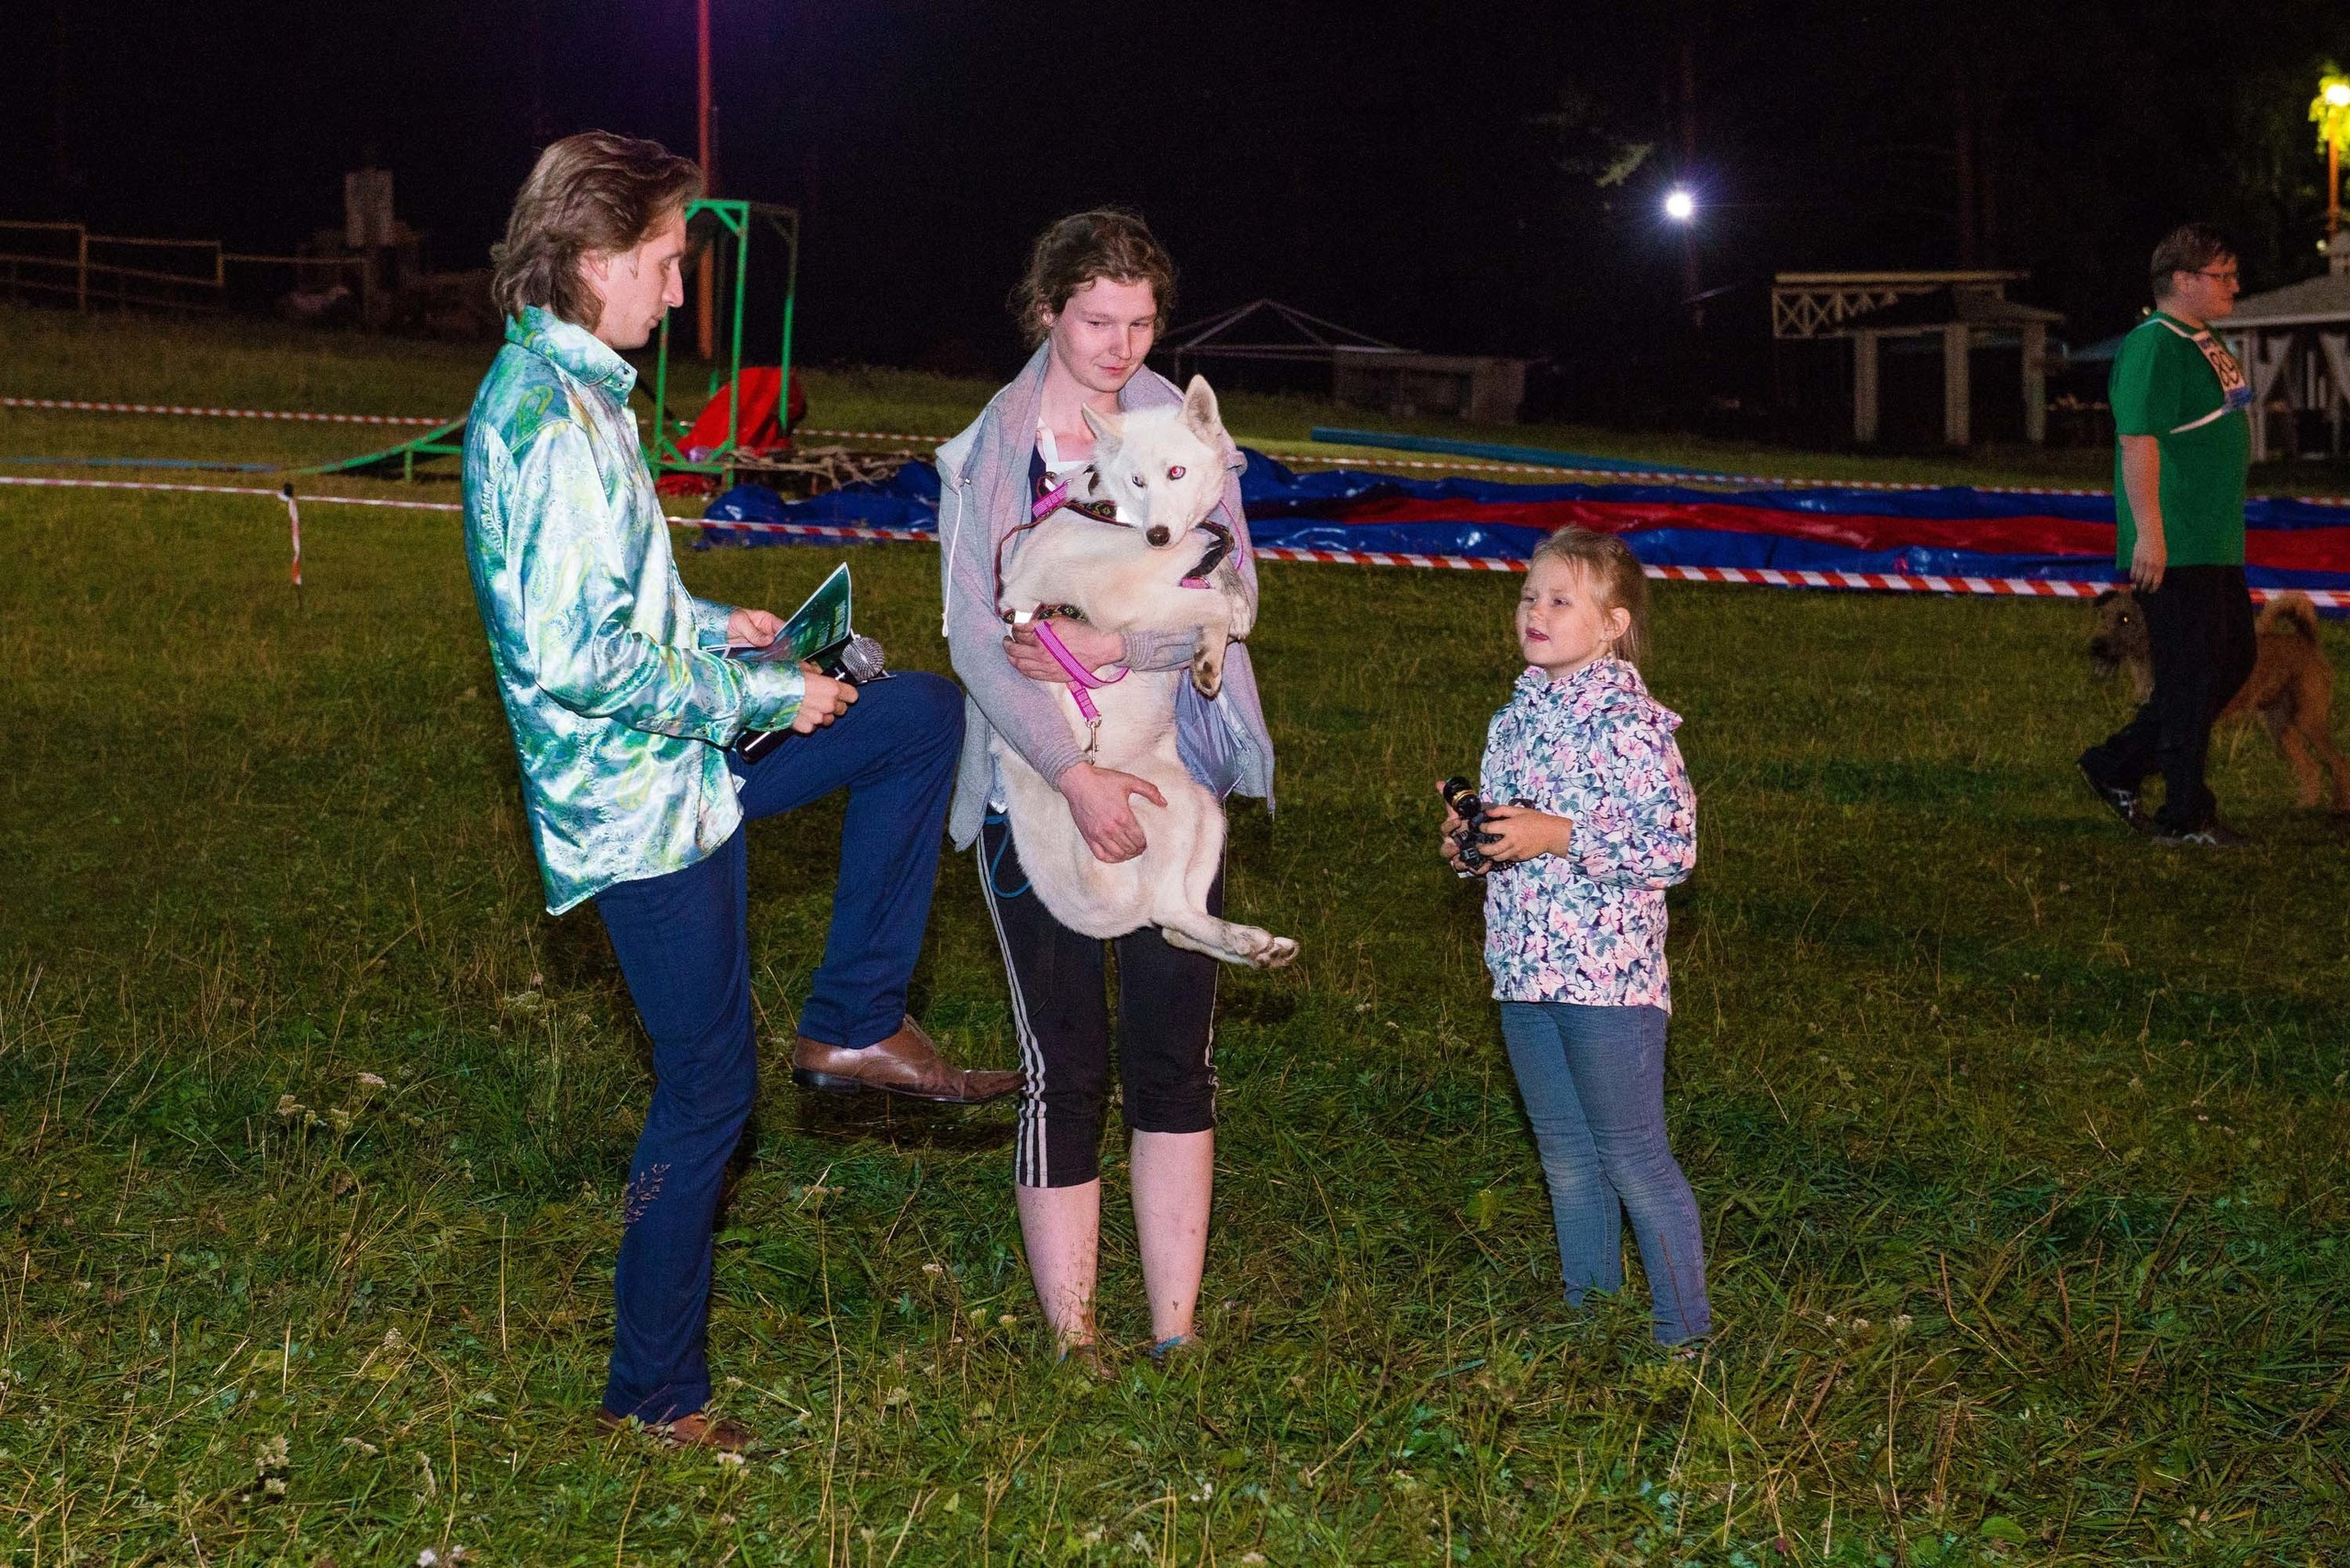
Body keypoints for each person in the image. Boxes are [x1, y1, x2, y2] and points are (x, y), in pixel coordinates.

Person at [462, 132, 1015, 1451]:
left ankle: (855, 1021)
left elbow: (617, 612)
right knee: (707, 1089)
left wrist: (720, 628)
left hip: (683, 756)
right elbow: (575, 661)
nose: (676, 288)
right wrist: (769, 700)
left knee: (913, 717)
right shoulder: (541, 419)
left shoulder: (587, 388)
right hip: (637, 804)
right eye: (661, 263)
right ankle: (655, 1398)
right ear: (593, 261)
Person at [936, 209, 1275, 1369]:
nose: (1121, 344)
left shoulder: (1182, 431)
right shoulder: (995, 447)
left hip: (1168, 758)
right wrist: (1074, 774)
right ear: (1046, 313)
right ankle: (1073, 1337)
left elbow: (1232, 591)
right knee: (1063, 1060)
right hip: (1031, 784)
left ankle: (1175, 1329)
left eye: (1140, 323)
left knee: (1174, 1055)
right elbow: (976, 639)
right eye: (1096, 320)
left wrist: (1125, 651)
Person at [1441, 529, 1709, 1348]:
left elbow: (1672, 847)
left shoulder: (1632, 726)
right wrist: (1471, 843)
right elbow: (1511, 840)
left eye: (1561, 600)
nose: (1536, 610)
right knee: (1565, 1159)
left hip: (1608, 985)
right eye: (1529, 595)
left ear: (1614, 623)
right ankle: (1589, 1322)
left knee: (1632, 1156)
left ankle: (1682, 1337)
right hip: (1524, 972)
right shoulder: (1514, 718)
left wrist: (1557, 835)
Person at [2077, 222, 2257, 847]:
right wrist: (2149, 535)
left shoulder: (2203, 339)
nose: (2234, 285)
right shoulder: (2154, 344)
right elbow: (2137, 439)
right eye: (2222, 275)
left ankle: (2117, 764)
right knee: (2190, 677)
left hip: (2215, 540)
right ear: (2182, 281)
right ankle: (2185, 817)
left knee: (2233, 662)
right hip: (2176, 543)